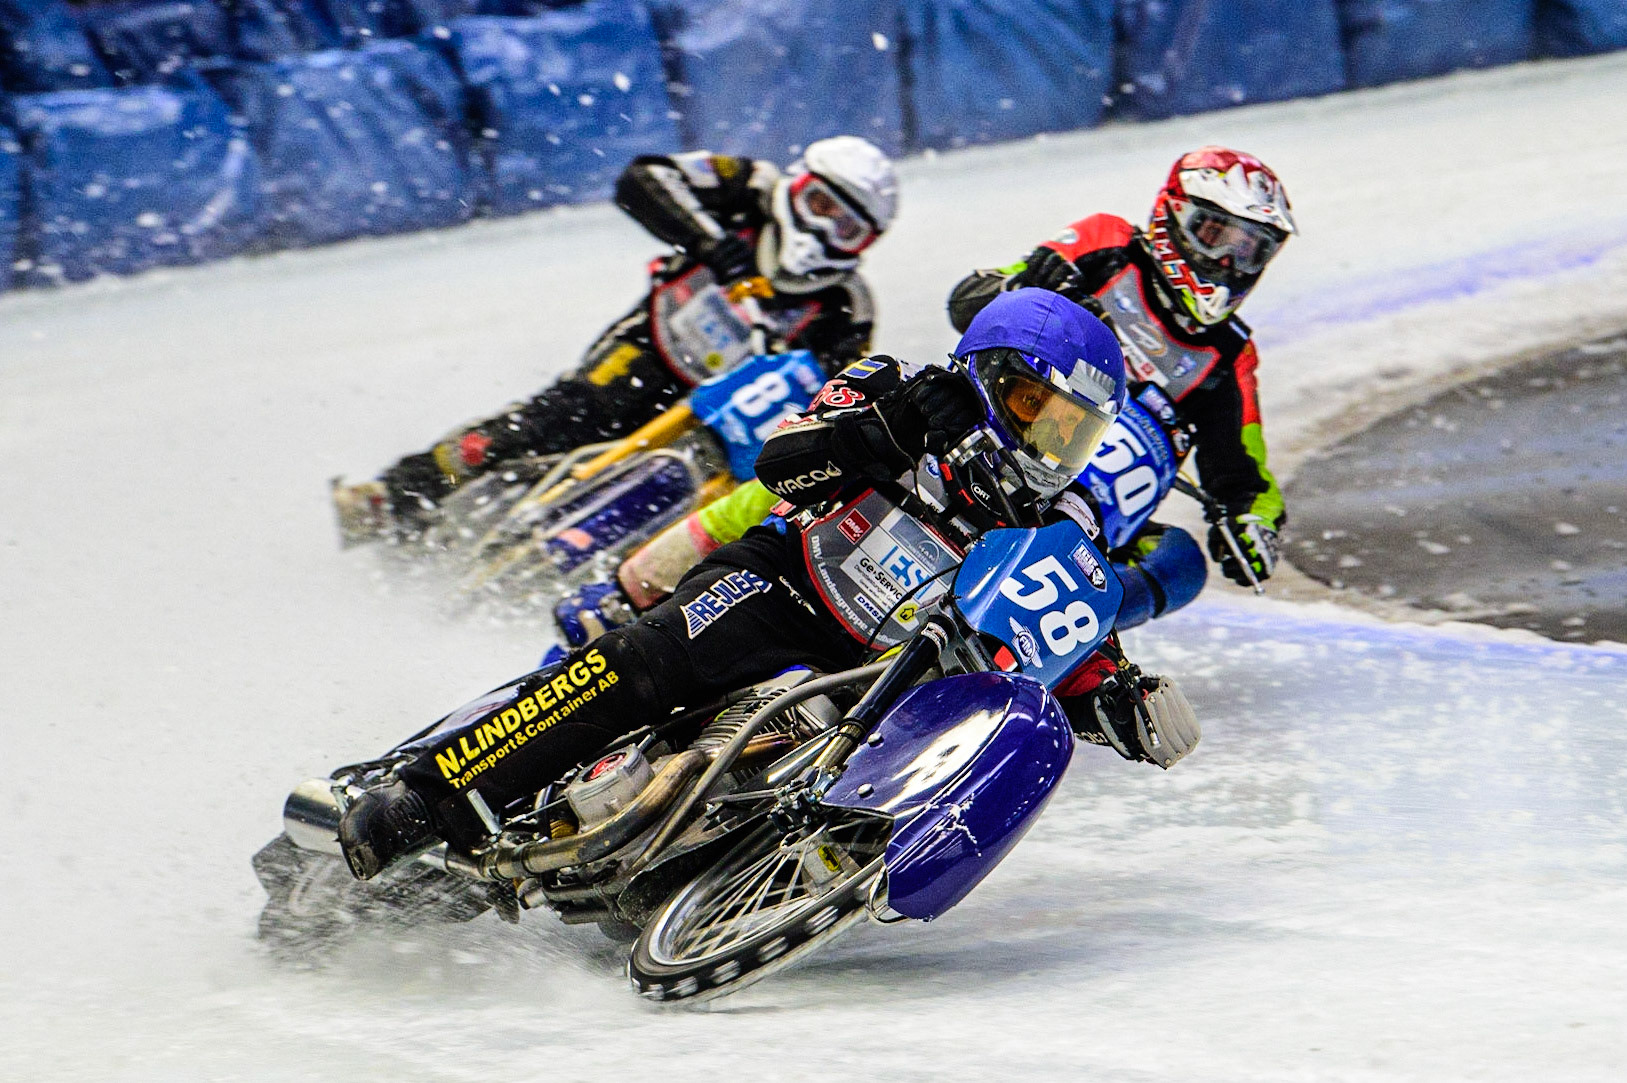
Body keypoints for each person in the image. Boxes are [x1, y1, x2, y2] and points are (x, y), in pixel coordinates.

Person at [337, 289, 1201, 882]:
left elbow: (1065, 626)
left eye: (1071, 429)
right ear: (984, 371)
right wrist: (894, 430)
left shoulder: (1062, 522)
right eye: (1029, 407)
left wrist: (1119, 695)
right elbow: (784, 463)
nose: (1047, 441)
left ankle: (719, 877)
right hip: (783, 585)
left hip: (877, 675)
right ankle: (426, 796)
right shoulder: (886, 385)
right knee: (646, 658)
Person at [334, 135, 899, 542]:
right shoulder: (750, 185)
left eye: (845, 227)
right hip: (645, 353)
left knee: (681, 514)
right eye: (820, 206)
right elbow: (644, 179)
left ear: (864, 244)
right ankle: (394, 497)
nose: (823, 230)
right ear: (797, 184)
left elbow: (836, 397)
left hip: (721, 423)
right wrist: (709, 242)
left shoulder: (848, 307)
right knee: (537, 424)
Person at [948, 146, 1295, 592]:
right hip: (995, 442)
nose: (1228, 262)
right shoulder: (1107, 244)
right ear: (1175, 217)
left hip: (1081, 518)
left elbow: (1247, 476)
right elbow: (969, 301)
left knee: (1180, 565)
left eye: (1248, 250)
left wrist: (1252, 522)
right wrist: (1029, 283)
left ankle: (1056, 619)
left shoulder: (1228, 356)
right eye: (1215, 234)